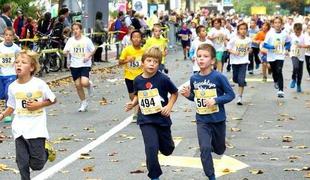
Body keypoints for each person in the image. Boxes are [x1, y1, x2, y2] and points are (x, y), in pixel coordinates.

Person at [180, 43, 235, 180]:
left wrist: (216, 100)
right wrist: (188, 95)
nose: (201, 59)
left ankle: (216, 146)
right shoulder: (194, 78)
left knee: (219, 149)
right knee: (204, 148)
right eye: (199, 56)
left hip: (218, 119)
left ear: (212, 60)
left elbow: (230, 95)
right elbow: (196, 97)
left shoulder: (218, 77)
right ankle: (211, 176)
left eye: (205, 56)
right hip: (202, 120)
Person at [0, 50, 56, 180]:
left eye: (23, 62)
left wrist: (39, 105)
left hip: (36, 129)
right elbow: (11, 106)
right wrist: (2, 115)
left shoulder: (39, 84)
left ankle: (47, 151)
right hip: (19, 129)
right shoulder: (12, 87)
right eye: (17, 62)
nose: (18, 64)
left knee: (37, 164)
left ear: (31, 67)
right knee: (22, 163)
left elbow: (53, 99)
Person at [125, 46, 178, 180]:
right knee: (151, 148)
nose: (152, 64)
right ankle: (155, 176)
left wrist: (169, 106)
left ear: (158, 64)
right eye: (149, 60)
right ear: (142, 62)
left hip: (162, 119)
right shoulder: (137, 80)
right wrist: (133, 103)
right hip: (146, 120)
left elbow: (174, 93)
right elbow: (138, 95)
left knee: (167, 150)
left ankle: (167, 143)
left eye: (155, 62)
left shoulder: (163, 79)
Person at [63, 22, 95, 112]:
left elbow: (93, 50)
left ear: (80, 30)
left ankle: (89, 85)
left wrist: (88, 56)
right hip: (74, 65)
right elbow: (65, 51)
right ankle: (83, 102)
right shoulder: (70, 40)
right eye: (73, 29)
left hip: (85, 64)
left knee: (84, 83)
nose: (75, 31)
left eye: (77, 29)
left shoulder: (86, 40)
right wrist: (66, 52)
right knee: (78, 85)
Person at [263, 16, 291, 98]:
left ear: (282, 24)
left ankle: (281, 90)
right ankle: (275, 81)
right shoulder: (270, 34)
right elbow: (265, 44)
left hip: (280, 56)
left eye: (279, 23)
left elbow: (288, 42)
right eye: (276, 23)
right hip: (271, 56)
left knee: (279, 70)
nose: (277, 24)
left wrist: (286, 49)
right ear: (273, 24)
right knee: (274, 71)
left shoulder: (285, 34)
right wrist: (272, 47)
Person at [0, 27, 21, 122]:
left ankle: (7, 113)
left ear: (13, 37)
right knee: (1, 94)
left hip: (11, 74)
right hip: (1, 74)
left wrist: (18, 69)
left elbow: (19, 59)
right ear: (3, 36)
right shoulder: (0, 47)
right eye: (6, 35)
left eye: (10, 35)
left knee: (7, 93)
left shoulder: (16, 48)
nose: (8, 37)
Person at [227, 22, 251, 105]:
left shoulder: (248, 39)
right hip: (234, 61)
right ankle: (240, 81)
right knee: (235, 79)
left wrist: (249, 50)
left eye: (245, 29)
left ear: (247, 30)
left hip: (244, 61)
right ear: (238, 30)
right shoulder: (234, 39)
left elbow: (249, 48)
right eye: (241, 29)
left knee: (241, 80)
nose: (243, 31)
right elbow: (228, 48)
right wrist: (234, 52)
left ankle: (240, 97)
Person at [289, 23, 306, 92]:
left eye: (298, 32)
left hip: (301, 55)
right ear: (294, 30)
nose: (297, 33)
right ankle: (293, 79)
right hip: (294, 54)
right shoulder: (291, 36)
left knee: (300, 72)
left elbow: (308, 45)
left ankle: (298, 85)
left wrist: (302, 46)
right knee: (295, 67)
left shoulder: (304, 36)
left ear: (301, 30)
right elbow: (287, 42)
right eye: (296, 32)